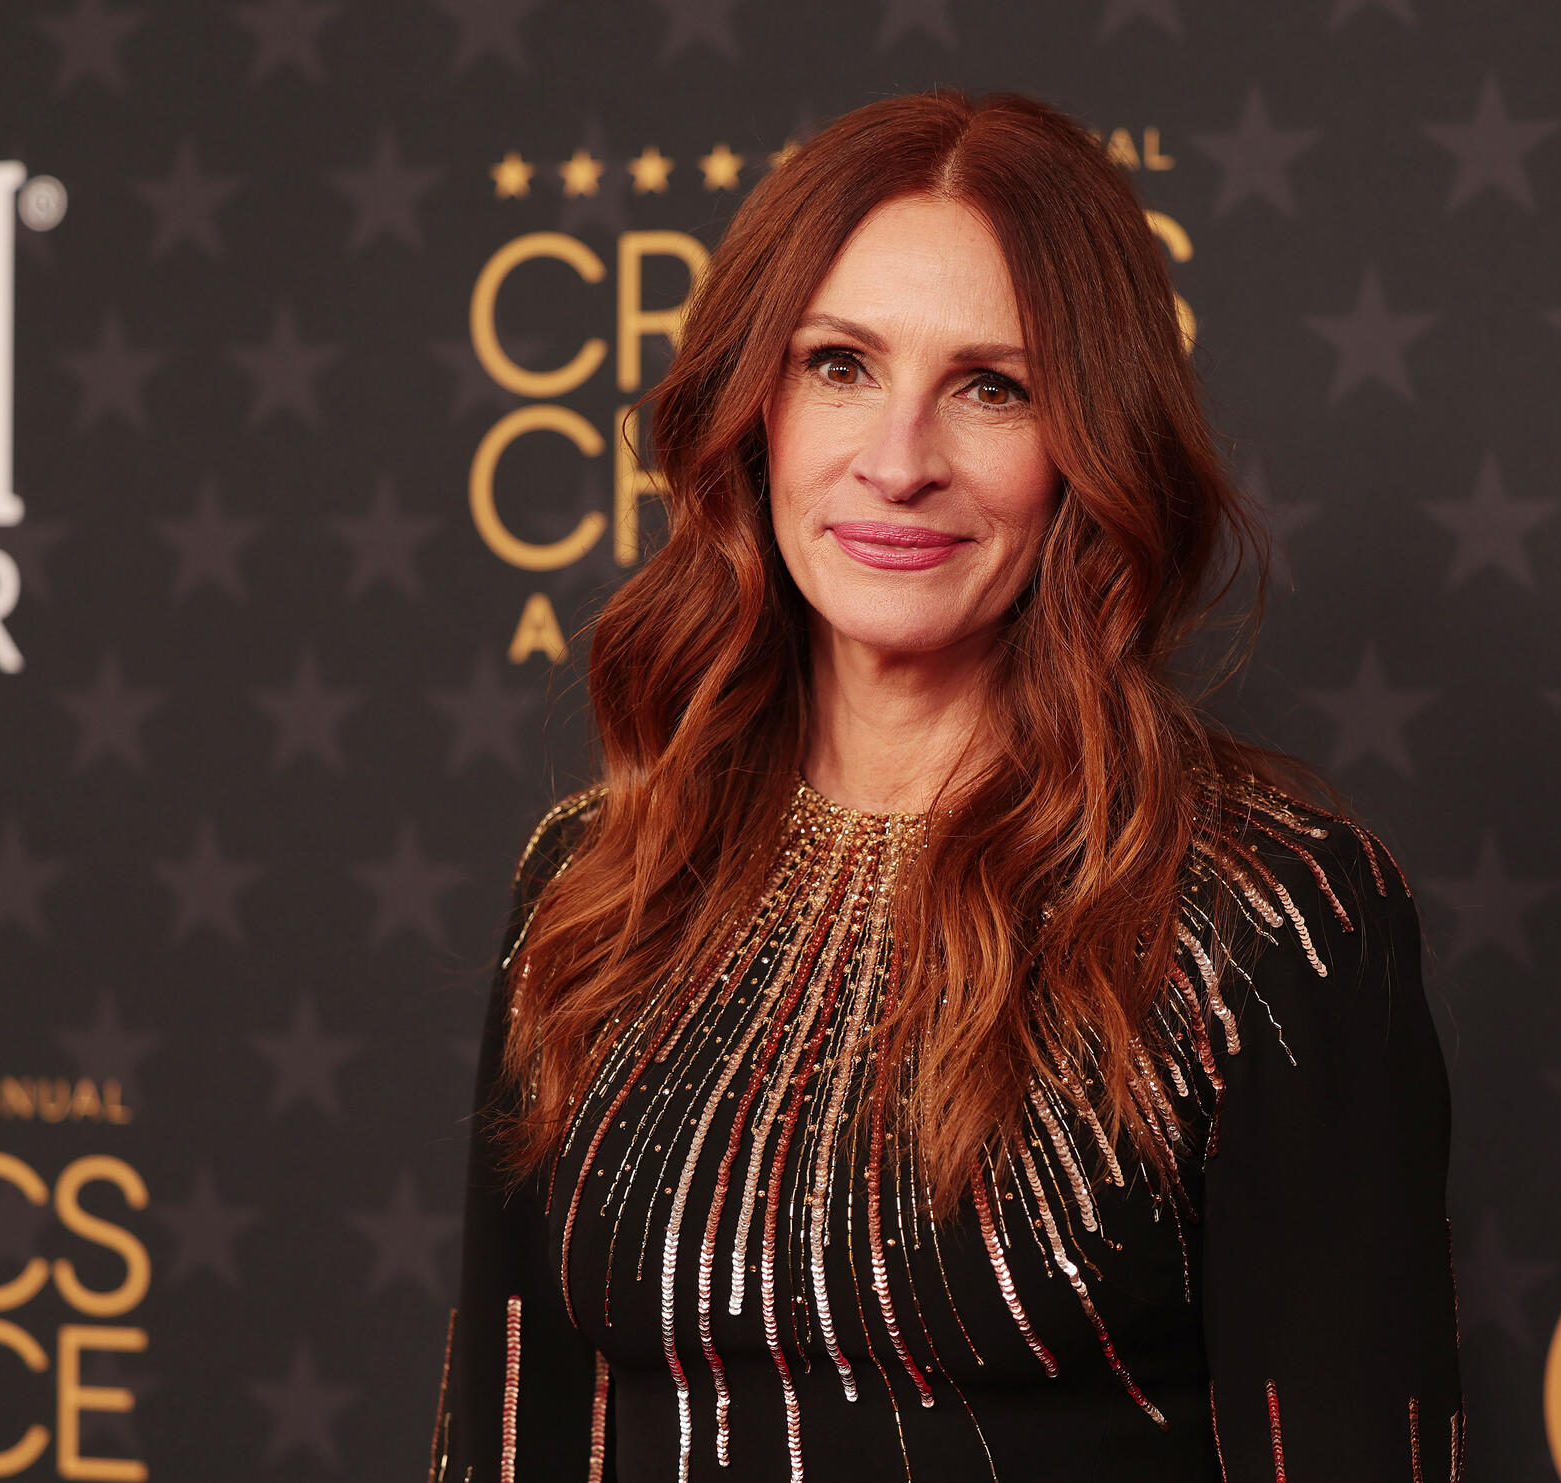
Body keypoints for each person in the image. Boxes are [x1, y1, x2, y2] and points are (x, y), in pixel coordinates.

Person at [429, 88, 1463, 1483]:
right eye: (839, 366)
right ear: (754, 411)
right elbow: (506, 1438)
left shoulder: (1264, 919)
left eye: (993, 387)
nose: (899, 460)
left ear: (1090, 447)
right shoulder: (599, 882)